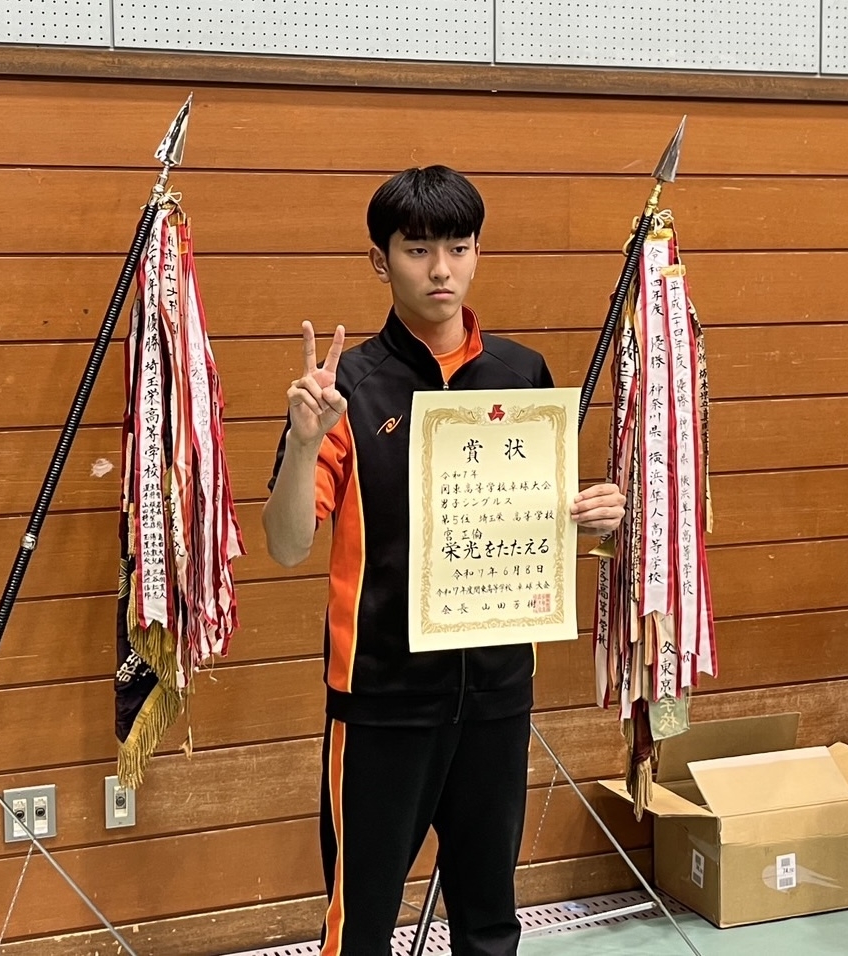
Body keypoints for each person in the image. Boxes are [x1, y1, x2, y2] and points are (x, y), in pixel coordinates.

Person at [262, 165, 625, 956]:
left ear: (477, 252)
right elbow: (286, 544)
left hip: (497, 694)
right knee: (359, 928)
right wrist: (302, 445)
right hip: (382, 700)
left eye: (458, 248)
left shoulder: (521, 375)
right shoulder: (344, 389)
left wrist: (594, 520)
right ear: (379, 259)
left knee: (490, 924)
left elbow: (535, 529)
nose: (440, 270)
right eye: (417, 249)